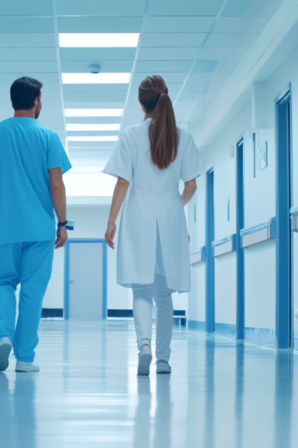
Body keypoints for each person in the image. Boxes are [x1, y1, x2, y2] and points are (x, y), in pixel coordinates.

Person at [103, 75, 205, 376]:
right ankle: (163, 360)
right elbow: (191, 186)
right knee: (164, 295)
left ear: (140, 102)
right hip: (171, 220)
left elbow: (123, 181)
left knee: (141, 291)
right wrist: (174, 210)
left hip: (138, 219)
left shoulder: (131, 135)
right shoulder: (182, 136)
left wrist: (111, 221)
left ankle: (144, 345)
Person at [0, 76, 71, 373]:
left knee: (3, 283)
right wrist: (63, 223)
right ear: (36, 102)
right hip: (39, 229)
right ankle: (25, 358)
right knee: (32, 292)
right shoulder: (49, 137)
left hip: (6, 227)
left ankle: (3, 335)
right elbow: (56, 185)